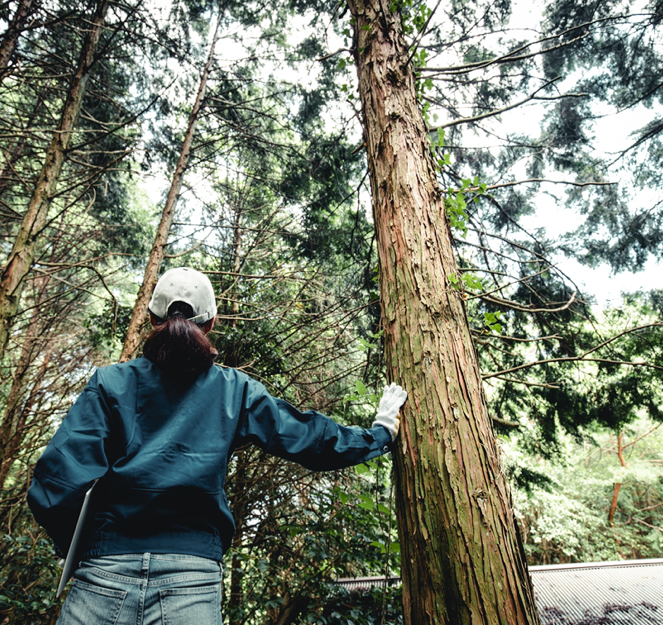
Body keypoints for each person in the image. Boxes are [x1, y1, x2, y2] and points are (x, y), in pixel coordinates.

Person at [28, 267, 408, 625]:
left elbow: (56, 482)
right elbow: (307, 438)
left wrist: (88, 549)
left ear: (151, 318)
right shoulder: (235, 390)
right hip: (191, 578)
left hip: (103, 574)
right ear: (211, 324)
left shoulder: (110, 382)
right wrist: (379, 434)